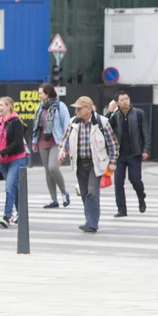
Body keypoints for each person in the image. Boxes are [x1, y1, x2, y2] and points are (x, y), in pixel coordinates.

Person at [58, 97, 119, 233]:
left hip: (95, 163)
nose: (76, 110)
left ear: (88, 109)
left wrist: (113, 162)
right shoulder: (73, 122)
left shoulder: (102, 122)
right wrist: (62, 150)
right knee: (85, 193)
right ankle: (90, 220)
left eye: (79, 108)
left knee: (92, 192)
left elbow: (113, 143)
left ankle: (92, 223)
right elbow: (65, 140)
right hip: (80, 162)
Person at [106, 91, 150, 217]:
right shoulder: (115, 116)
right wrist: (110, 111)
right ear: (117, 103)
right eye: (122, 99)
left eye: (126, 99)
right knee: (119, 182)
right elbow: (105, 126)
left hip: (134, 153)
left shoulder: (138, 114)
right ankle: (121, 209)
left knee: (135, 179)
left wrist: (146, 149)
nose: (125, 101)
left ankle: (141, 196)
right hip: (119, 155)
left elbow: (145, 132)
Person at [31, 83, 71, 209]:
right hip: (43, 142)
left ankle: (64, 192)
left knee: (53, 168)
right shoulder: (40, 108)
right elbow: (36, 126)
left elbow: (67, 125)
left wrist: (66, 144)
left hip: (56, 142)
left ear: (47, 93)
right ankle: (53, 199)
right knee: (48, 172)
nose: (39, 96)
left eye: (41, 93)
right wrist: (34, 141)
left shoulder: (60, 106)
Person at [0, 96, 26, 229]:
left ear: (9, 107)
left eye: (2, 105)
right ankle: (21, 213)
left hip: (16, 159)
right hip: (3, 161)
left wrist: (2, 153)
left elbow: (17, 143)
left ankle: (7, 215)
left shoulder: (16, 122)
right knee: (14, 188)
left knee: (9, 186)